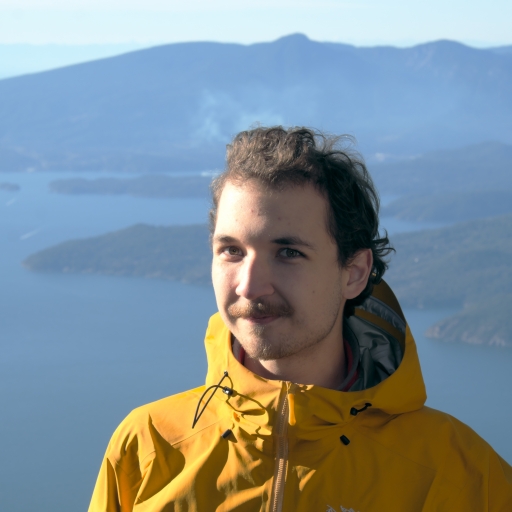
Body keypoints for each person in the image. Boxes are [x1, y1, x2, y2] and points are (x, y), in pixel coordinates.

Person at [88, 127, 512, 512]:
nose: (250, 286)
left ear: (354, 272)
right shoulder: (148, 445)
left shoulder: (459, 472)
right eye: (232, 251)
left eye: (288, 252)